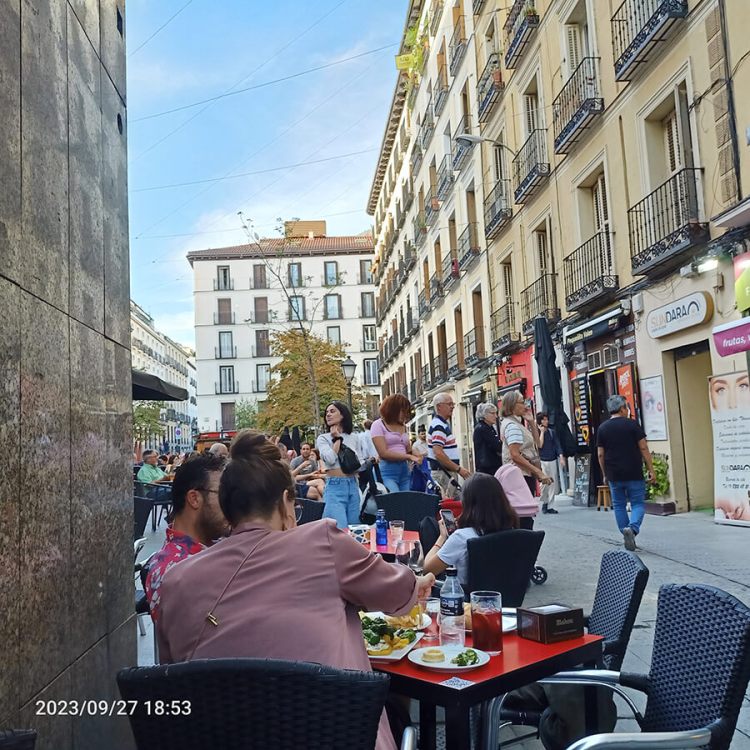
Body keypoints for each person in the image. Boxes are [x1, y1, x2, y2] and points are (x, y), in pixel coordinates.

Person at [156, 430, 435, 750]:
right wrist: (418, 582)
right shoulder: (321, 541)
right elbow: (397, 594)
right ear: (286, 502)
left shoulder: (175, 582)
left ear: (228, 509)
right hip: (333, 735)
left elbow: (171, 681)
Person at [144, 454, 228, 621]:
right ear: (194, 499)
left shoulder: (209, 549)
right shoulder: (174, 571)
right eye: (223, 495)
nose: (231, 504)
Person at [422, 473, 519, 587]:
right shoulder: (513, 531)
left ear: (467, 503)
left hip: (467, 595)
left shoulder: (462, 537)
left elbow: (427, 570)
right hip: (507, 594)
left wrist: (442, 537)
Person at [596, 395, 655, 551]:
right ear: (622, 409)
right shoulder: (632, 425)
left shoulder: (602, 428)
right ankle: (633, 529)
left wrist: (605, 473)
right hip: (634, 471)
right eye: (626, 407)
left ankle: (625, 532)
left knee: (619, 505)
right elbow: (643, 447)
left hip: (614, 473)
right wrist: (651, 469)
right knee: (637, 503)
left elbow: (600, 454)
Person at [316, 401, 364, 529]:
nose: (328, 415)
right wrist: (337, 439)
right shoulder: (323, 438)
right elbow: (330, 459)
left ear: (343, 415)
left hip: (352, 484)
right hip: (335, 485)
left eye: (332, 411)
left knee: (355, 527)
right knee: (338, 528)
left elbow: (359, 461)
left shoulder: (354, 437)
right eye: (327, 412)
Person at [499, 391, 552, 498]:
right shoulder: (512, 426)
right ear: (513, 405)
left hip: (522, 474)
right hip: (520, 475)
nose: (526, 406)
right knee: (525, 506)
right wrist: (538, 472)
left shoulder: (515, 423)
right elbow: (515, 455)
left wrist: (531, 422)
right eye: (522, 402)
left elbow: (538, 443)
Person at [371, 395, 422, 492]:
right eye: (403, 411)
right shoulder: (378, 425)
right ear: (392, 410)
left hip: (404, 471)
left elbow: (407, 449)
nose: (405, 415)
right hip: (387, 472)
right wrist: (409, 457)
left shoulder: (403, 426)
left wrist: (416, 453)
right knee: (394, 498)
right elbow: (383, 453)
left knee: (408, 498)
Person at [427, 393, 470, 497]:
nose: (452, 407)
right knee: (450, 502)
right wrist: (458, 469)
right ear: (439, 407)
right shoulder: (438, 426)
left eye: (453, 404)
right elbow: (438, 453)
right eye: (449, 404)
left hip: (445, 473)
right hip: (443, 474)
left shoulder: (441, 424)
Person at [536, 412, 564, 514]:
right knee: (544, 483)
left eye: (546, 419)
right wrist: (542, 432)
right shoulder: (536, 432)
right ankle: (544, 502)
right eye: (543, 420)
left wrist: (561, 456)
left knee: (552, 483)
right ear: (539, 421)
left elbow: (557, 445)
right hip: (542, 460)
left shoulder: (552, 432)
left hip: (552, 459)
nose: (546, 421)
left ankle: (550, 505)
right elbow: (540, 445)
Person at [473, 402, 502, 475]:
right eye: (492, 413)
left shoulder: (488, 427)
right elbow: (496, 445)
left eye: (496, 413)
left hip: (490, 466)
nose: (496, 416)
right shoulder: (483, 428)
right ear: (484, 414)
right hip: (488, 468)